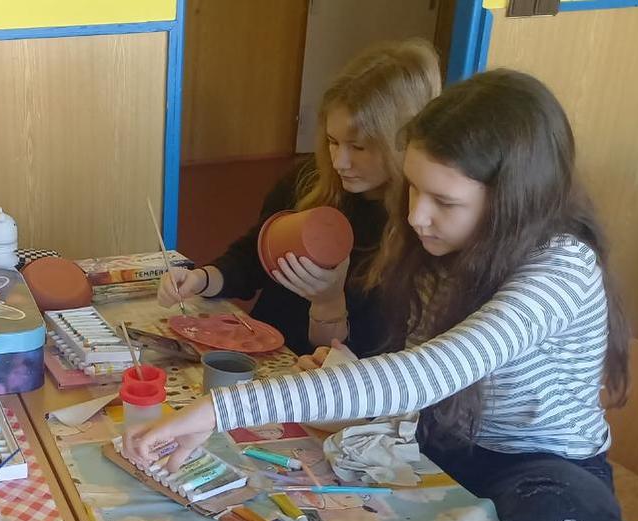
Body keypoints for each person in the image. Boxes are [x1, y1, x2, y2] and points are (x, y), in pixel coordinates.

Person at [128, 70, 637, 521]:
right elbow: (414, 377)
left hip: (540, 470)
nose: (416, 216)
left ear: (516, 200)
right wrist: (351, 383)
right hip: (445, 444)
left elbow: (431, 372)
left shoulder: (561, 267)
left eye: (445, 201)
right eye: (413, 188)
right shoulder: (442, 248)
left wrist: (220, 409)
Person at [159, 39, 441, 356]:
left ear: (400, 143)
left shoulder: (416, 228)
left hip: (325, 374)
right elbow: (254, 256)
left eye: (359, 147)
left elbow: (359, 360)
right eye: (333, 141)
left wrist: (328, 302)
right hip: (262, 350)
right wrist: (203, 278)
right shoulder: (310, 179)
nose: (339, 162)